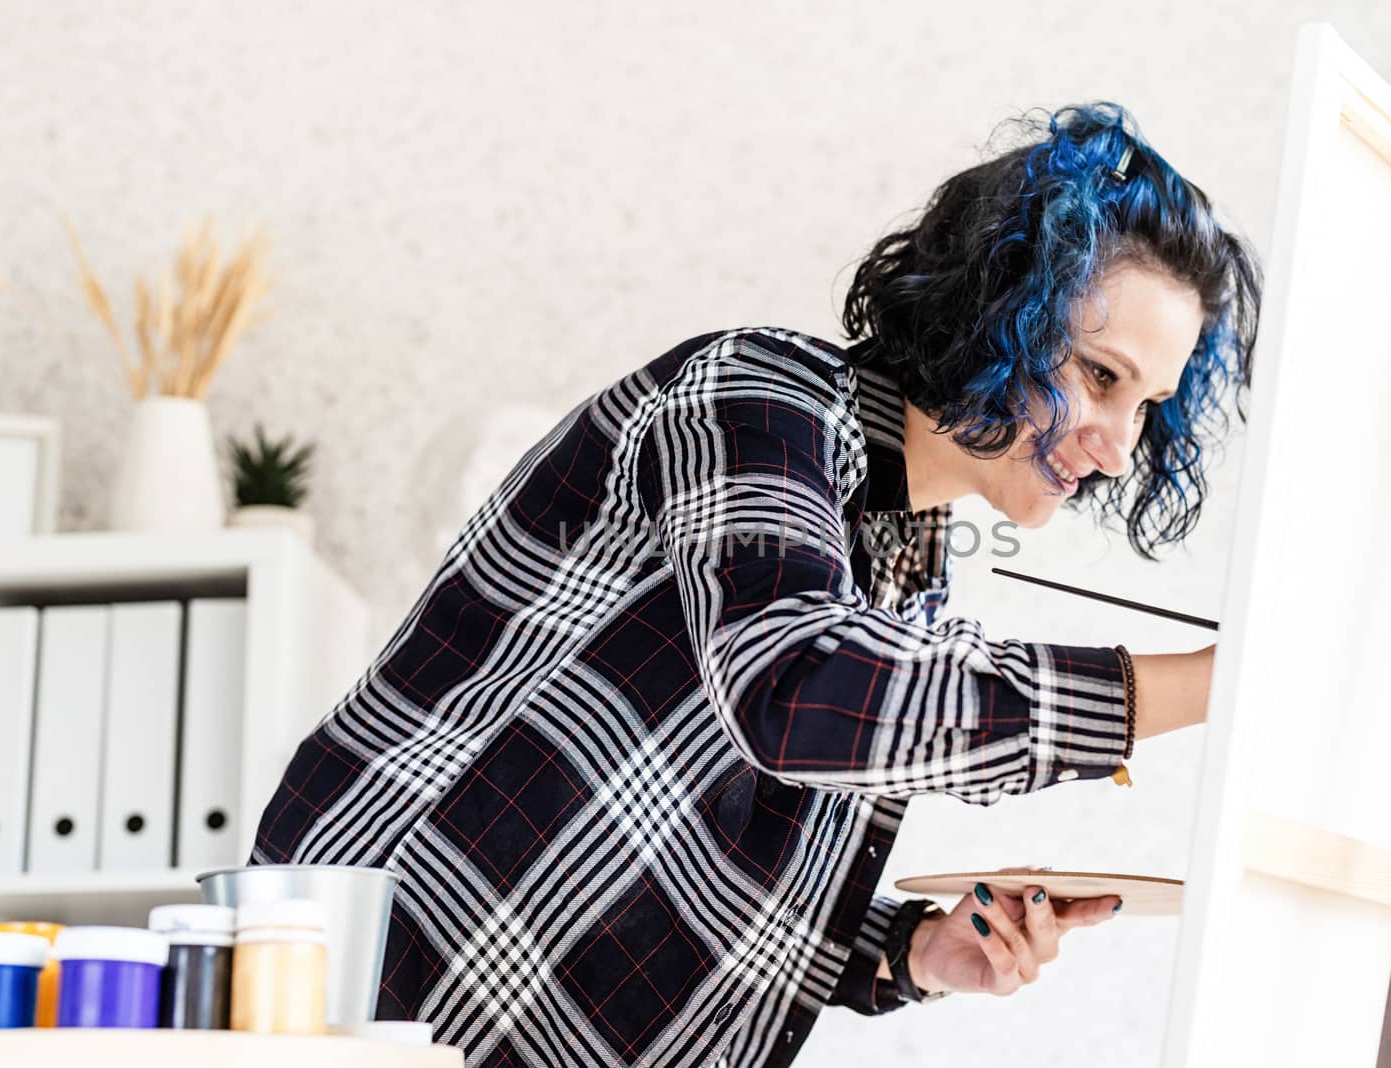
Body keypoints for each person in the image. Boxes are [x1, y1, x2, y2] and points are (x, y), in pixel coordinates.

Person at [252, 101, 1261, 1068]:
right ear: (997, 308)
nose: (1121, 447)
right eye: (1099, 375)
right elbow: (795, 691)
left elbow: (725, 853)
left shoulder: (909, 561)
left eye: (1148, 406)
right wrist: (1209, 681)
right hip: (369, 1006)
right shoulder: (760, 398)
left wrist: (910, 952)